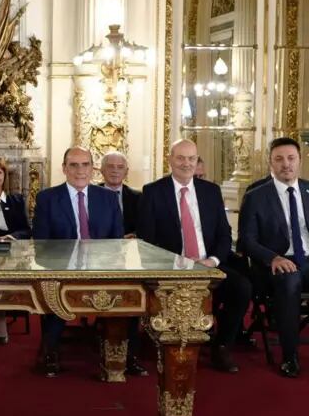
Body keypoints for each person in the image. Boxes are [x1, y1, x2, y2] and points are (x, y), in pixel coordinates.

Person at [138, 139, 251, 373]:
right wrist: (175, 262)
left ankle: (222, 346)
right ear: (170, 160)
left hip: (207, 264)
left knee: (242, 288)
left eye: (191, 159)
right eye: (180, 158)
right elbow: (146, 240)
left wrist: (213, 260)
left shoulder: (211, 191)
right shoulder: (153, 192)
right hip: (170, 268)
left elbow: (224, 233)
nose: (186, 163)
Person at [32, 146, 123, 377]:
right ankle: (51, 350)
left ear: (92, 169)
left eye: (85, 165)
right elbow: (41, 245)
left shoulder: (109, 198)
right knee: (52, 290)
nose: (80, 170)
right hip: (62, 270)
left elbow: (117, 243)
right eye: (73, 165)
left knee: (129, 294)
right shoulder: (47, 199)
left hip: (102, 269)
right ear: (64, 169)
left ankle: (121, 354)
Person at [239, 137, 309, 378]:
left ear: (300, 161)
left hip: (307, 259)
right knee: (290, 281)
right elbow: (246, 241)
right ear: (270, 162)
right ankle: (290, 357)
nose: (286, 164)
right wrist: (273, 258)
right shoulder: (256, 196)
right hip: (276, 264)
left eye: (291, 158)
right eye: (279, 159)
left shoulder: (308, 190)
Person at [97, 151, 147, 375]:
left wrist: (133, 236)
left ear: (126, 172)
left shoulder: (139, 197)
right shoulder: (91, 195)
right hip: (98, 259)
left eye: (120, 167)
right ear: (102, 170)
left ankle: (131, 354)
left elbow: (146, 226)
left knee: (133, 298)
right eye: (110, 166)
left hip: (131, 258)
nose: (115, 171)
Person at [0, 156, 30, 344]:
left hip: (9, 249)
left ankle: (0, 317)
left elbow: (26, 230)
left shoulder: (16, 200)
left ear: (5, 176)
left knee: (1, 272)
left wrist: (9, 237)